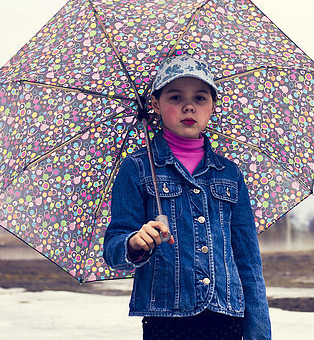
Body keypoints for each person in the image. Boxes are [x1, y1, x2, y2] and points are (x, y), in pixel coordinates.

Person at [103, 54, 271, 340]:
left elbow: (248, 261)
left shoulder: (230, 174)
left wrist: (259, 333)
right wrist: (134, 243)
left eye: (200, 98)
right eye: (176, 97)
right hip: (166, 320)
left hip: (226, 317)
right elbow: (113, 249)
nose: (189, 105)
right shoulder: (137, 168)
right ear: (154, 105)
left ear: (213, 106)